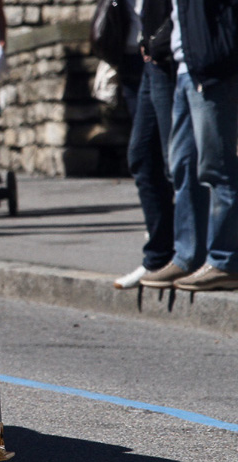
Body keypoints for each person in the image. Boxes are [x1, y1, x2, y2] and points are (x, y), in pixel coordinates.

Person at [140, 0, 238, 291]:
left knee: (217, 167)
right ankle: (187, 257)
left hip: (210, 70)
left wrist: (218, 56)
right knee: (182, 165)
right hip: (185, 70)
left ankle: (225, 261)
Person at [113, 0, 176, 289]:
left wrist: (159, 40)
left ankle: (190, 255)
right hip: (148, 58)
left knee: (176, 162)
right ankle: (160, 256)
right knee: (142, 156)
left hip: (168, 57)